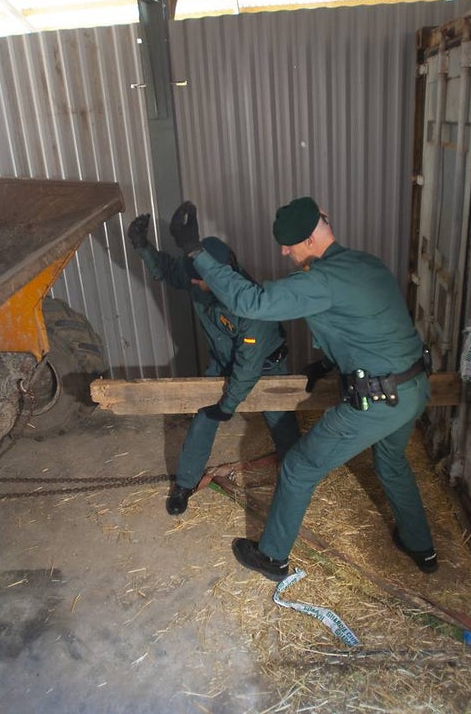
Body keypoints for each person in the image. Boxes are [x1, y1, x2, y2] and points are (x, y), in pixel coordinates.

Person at [167, 197, 438, 580]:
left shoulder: (319, 281)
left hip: (378, 401)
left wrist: (195, 251)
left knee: (297, 467)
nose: (283, 251)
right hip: (413, 388)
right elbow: (370, 325)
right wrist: (327, 364)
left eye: (288, 244)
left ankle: (272, 558)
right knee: (391, 463)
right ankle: (421, 547)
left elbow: (251, 301)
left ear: (311, 239)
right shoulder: (366, 263)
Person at [127, 213, 301, 516]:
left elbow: (247, 369)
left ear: (223, 271)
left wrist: (228, 405)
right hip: (222, 363)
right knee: (203, 421)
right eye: (193, 276)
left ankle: (297, 479)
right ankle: (185, 483)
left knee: (282, 425)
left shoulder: (250, 306)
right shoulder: (198, 276)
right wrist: (143, 246)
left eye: (200, 278)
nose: (193, 283)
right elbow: (168, 270)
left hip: (264, 368)